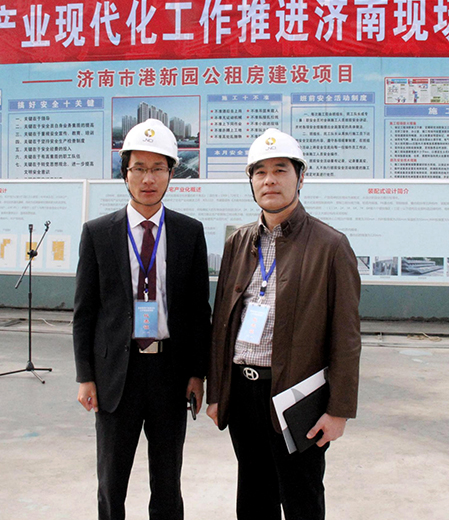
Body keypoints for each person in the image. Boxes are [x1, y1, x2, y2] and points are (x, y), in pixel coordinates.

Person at [206, 128, 361, 520]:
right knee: (253, 497)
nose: (269, 180)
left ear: (300, 177)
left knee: (301, 497)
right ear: (251, 181)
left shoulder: (330, 245)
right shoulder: (239, 242)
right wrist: (217, 391)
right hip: (243, 393)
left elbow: (346, 337)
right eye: (259, 172)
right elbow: (222, 323)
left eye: (280, 170)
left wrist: (339, 410)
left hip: (297, 396)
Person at [73, 118, 211, 520]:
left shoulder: (189, 232)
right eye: (139, 168)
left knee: (167, 482)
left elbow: (198, 310)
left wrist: (197, 373)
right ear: (125, 173)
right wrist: (85, 376)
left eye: (158, 168)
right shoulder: (98, 233)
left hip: (170, 373)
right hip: (117, 374)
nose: (148, 179)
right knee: (111, 481)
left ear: (171, 174)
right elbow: (85, 312)